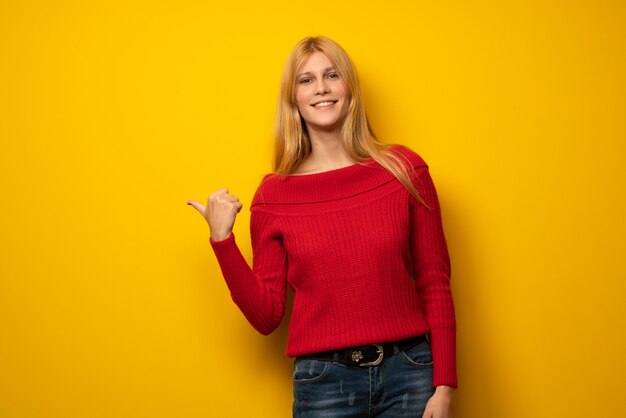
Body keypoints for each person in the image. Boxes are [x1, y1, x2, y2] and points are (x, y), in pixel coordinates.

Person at [187, 35, 457, 418]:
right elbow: (267, 317)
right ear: (293, 98)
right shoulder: (274, 196)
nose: (322, 88)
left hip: (410, 377)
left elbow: (434, 280)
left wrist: (444, 387)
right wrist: (222, 239)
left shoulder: (403, 170)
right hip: (324, 385)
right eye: (306, 80)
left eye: (332, 75)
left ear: (349, 88)